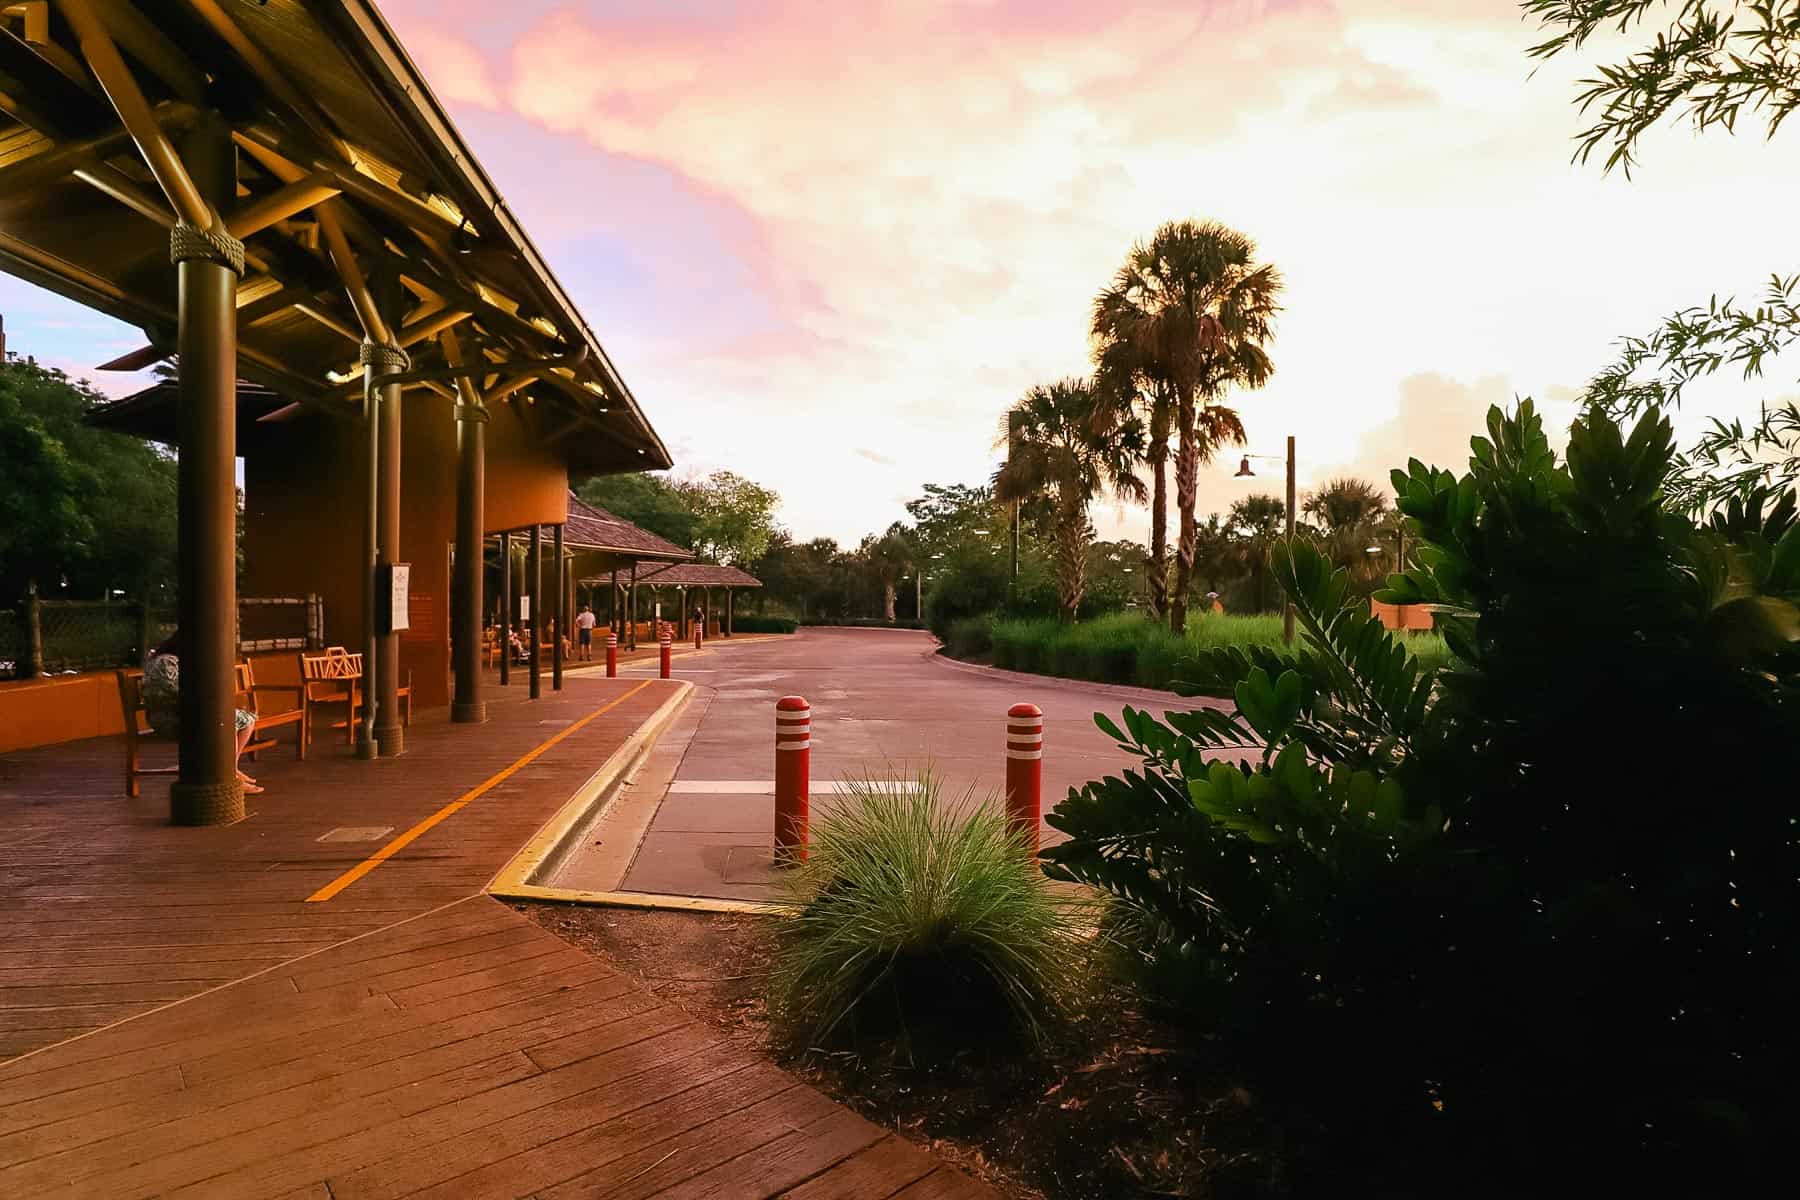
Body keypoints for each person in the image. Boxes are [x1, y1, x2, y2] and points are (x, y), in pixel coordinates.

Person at [142, 632, 263, 795]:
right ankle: (229, 776)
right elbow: (176, 693)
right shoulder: (165, 662)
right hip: (170, 717)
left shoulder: (176, 660)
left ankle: (230, 769)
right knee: (226, 721)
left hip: (188, 713)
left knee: (245, 720)